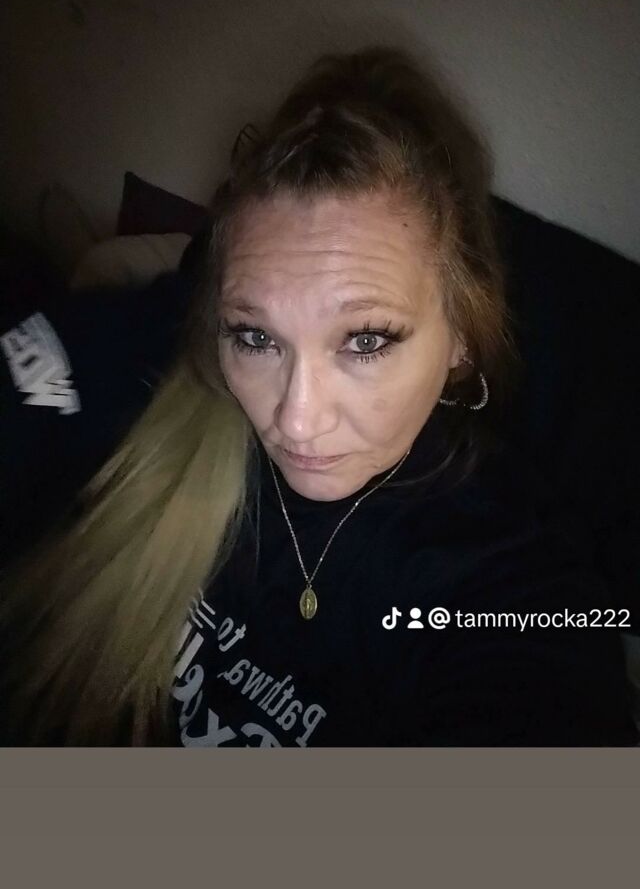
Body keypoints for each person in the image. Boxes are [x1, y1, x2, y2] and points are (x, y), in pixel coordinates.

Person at [0, 46, 637, 747]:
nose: (296, 419)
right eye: (256, 337)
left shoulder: (511, 580)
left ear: (460, 336)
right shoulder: (172, 364)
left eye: (365, 340)